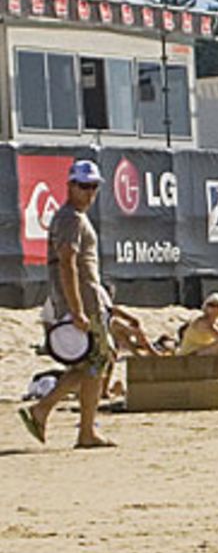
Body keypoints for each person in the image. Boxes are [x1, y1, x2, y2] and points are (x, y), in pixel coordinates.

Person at [17, 160, 116, 449]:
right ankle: (64, 420)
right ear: (70, 185)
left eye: (93, 186)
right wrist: (76, 310)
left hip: (86, 300)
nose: (90, 192)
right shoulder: (71, 218)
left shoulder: (72, 217)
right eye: (84, 186)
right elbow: (67, 263)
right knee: (97, 361)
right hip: (83, 301)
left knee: (92, 363)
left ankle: (65, 420)